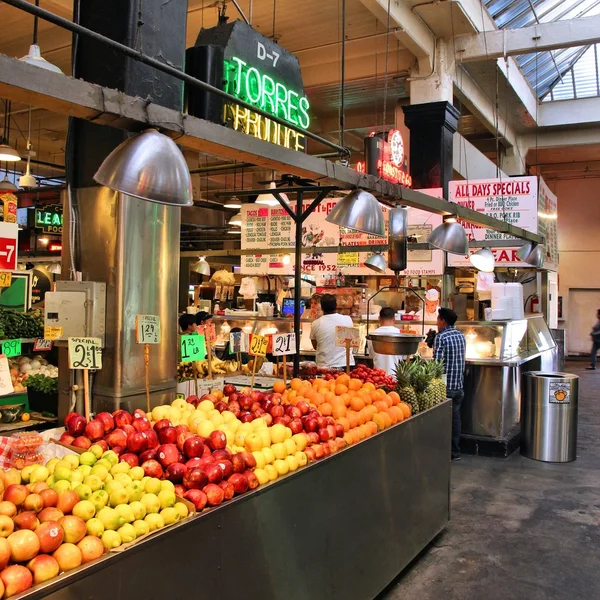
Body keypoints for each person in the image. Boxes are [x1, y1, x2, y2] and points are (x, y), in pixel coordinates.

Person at [433, 307, 466, 461]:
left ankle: (442, 451)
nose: (436, 322)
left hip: (445, 387)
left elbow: (437, 364)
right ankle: (455, 452)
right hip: (458, 385)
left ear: (443, 321)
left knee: (442, 419)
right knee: (456, 419)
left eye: (438, 319)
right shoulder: (461, 335)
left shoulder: (441, 337)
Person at [310, 294, 355, 369]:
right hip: (346, 363)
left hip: (325, 366)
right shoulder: (348, 319)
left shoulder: (316, 323)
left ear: (321, 306)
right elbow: (350, 341)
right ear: (336, 305)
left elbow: (315, 346)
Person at [368, 307, 402, 374]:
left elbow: (371, 355)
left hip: (378, 376)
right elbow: (404, 356)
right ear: (394, 319)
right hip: (396, 376)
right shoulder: (400, 333)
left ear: (379, 319)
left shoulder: (372, 334)